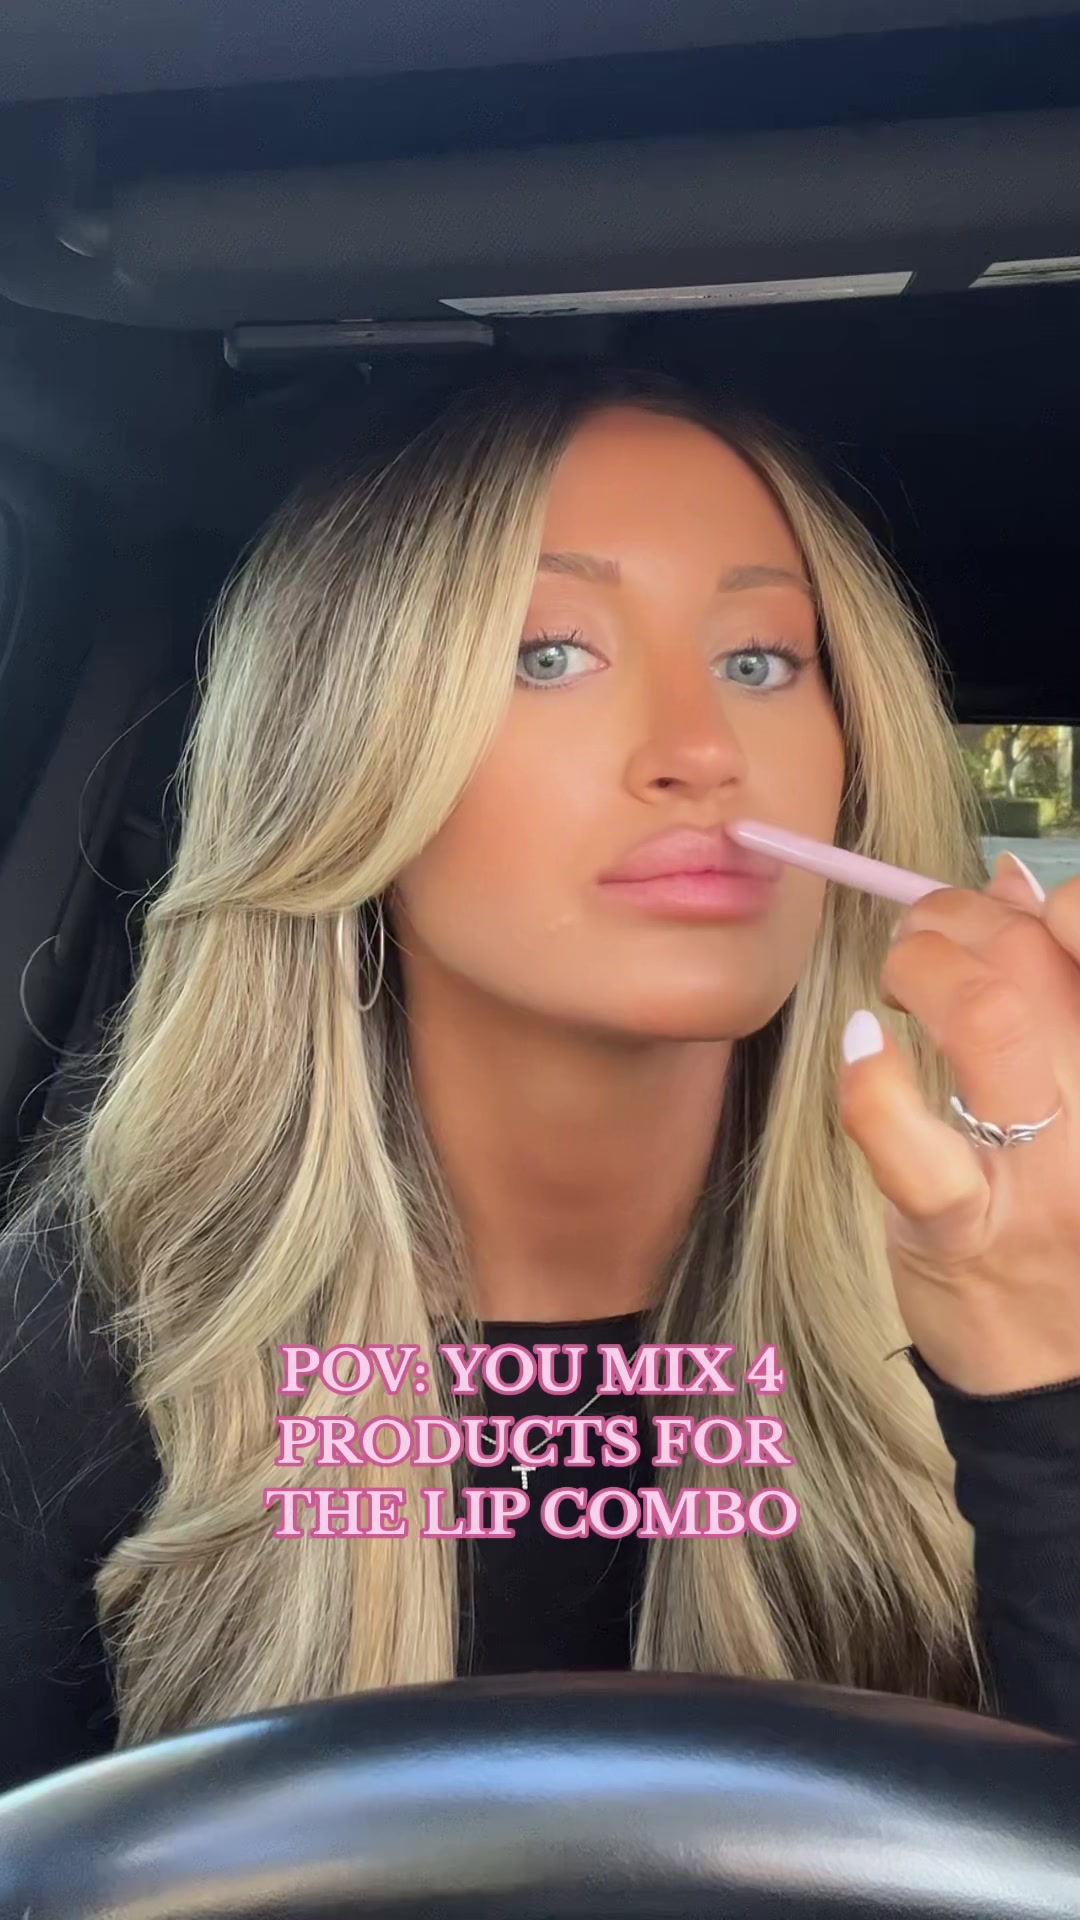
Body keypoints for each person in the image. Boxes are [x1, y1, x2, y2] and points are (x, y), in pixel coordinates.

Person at [1, 363, 1079, 1798]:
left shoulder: (1019, 1286)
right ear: (339, 754)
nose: (702, 753)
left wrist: (1039, 1387)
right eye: (551, 655)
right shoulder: (86, 1350)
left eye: (761, 662)